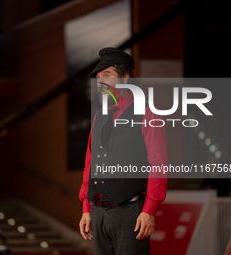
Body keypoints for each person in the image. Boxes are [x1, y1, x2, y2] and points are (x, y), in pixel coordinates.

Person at [79, 47, 168, 255]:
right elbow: (90, 164)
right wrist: (86, 208)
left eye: (107, 75)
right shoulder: (99, 116)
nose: (101, 82)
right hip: (97, 211)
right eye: (98, 77)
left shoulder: (147, 112)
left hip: (130, 212)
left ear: (126, 78)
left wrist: (149, 211)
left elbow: (158, 164)